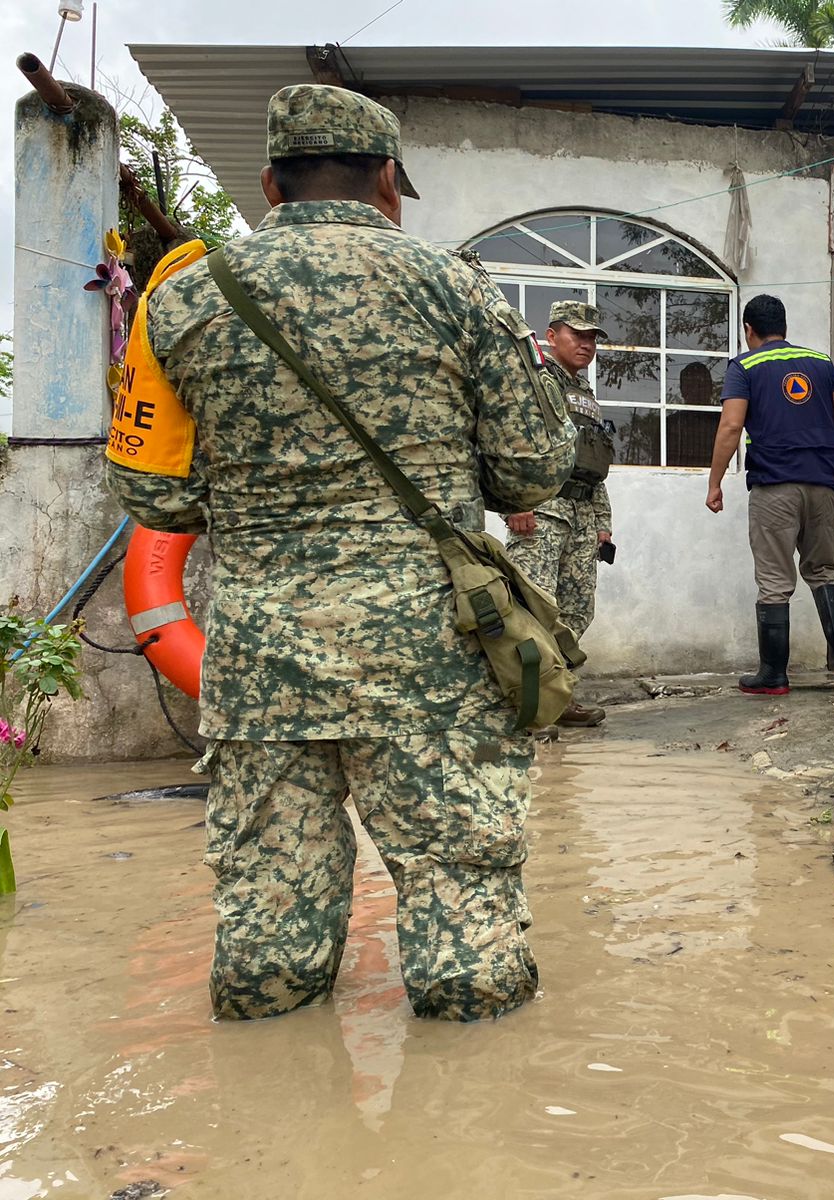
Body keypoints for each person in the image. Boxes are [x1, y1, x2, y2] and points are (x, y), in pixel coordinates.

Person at [105, 84, 575, 1020]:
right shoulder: (456, 284)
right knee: (466, 935)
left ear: (272, 182)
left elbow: (154, 492)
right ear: (389, 180)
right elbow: (532, 471)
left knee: (265, 950)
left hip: (257, 659)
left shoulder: (188, 298)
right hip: (427, 662)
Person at [706, 294, 834, 695]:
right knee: (824, 569)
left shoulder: (744, 366)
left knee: (775, 580)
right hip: (824, 484)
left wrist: (715, 481)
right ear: (785, 328)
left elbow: (730, 427)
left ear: (748, 330)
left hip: (775, 485)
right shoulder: (822, 363)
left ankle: (773, 674)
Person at [505, 301, 615, 728]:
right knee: (532, 610)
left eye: (592, 338)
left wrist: (603, 521)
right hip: (543, 509)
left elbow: (595, 460)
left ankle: (558, 699)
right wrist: (517, 501)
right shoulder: (534, 379)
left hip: (583, 511)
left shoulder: (582, 392)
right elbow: (511, 438)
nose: (586, 344)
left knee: (575, 612)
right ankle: (522, 704)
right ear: (552, 335)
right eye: (578, 335)